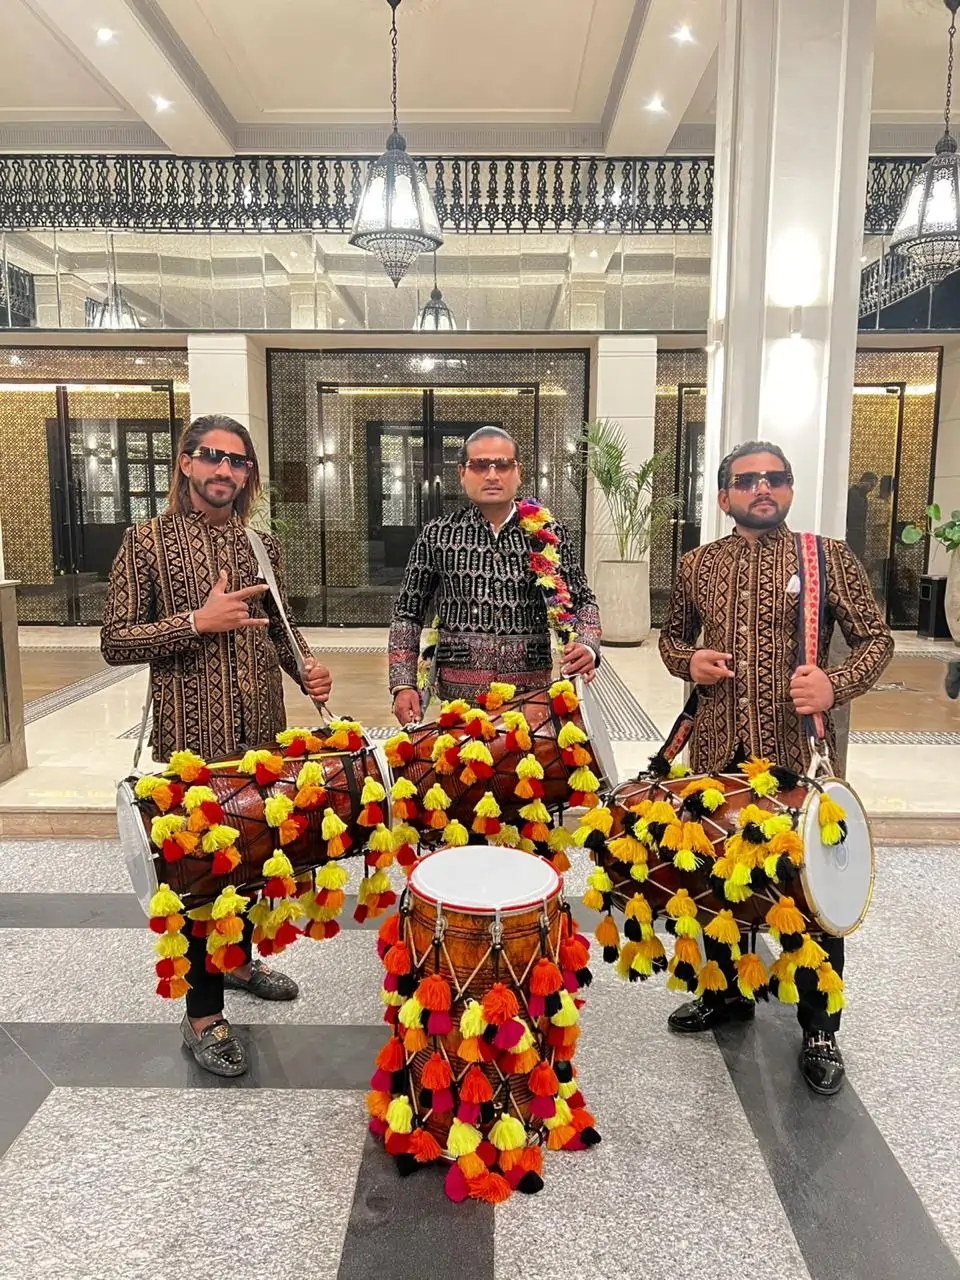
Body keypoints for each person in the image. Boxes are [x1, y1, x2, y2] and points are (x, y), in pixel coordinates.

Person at [102, 413, 333, 1078]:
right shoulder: (144, 544)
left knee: (253, 858)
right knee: (200, 875)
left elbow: (280, 630)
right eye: (212, 457)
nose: (224, 471)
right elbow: (115, 640)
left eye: (237, 462)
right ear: (184, 462)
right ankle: (201, 1014)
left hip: (261, 742)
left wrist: (307, 669)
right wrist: (195, 622)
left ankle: (236, 962)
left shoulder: (262, 547)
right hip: (191, 748)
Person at [659, 441, 893, 1095]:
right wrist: (689, 663)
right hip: (716, 756)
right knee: (718, 883)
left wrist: (835, 683)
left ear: (789, 489)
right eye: (747, 480)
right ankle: (728, 995)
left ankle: (820, 1026)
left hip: (798, 762)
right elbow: (672, 637)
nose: (763, 488)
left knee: (810, 896)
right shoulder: (697, 566)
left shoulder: (824, 558)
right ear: (723, 494)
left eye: (775, 478)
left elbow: (878, 637)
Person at [389, 426, 601, 725]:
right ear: (462, 473)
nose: (491, 475)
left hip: (531, 697)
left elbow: (583, 602)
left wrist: (588, 645)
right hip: (459, 698)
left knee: (529, 771)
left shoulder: (549, 534)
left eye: (502, 465)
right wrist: (403, 683)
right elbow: (407, 614)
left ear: (518, 472)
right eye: (479, 465)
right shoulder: (438, 535)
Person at [845, 471, 877, 563]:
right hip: (852, 532)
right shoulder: (853, 494)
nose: (871, 489)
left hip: (859, 532)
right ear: (864, 481)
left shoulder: (863, 496)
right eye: (871, 485)